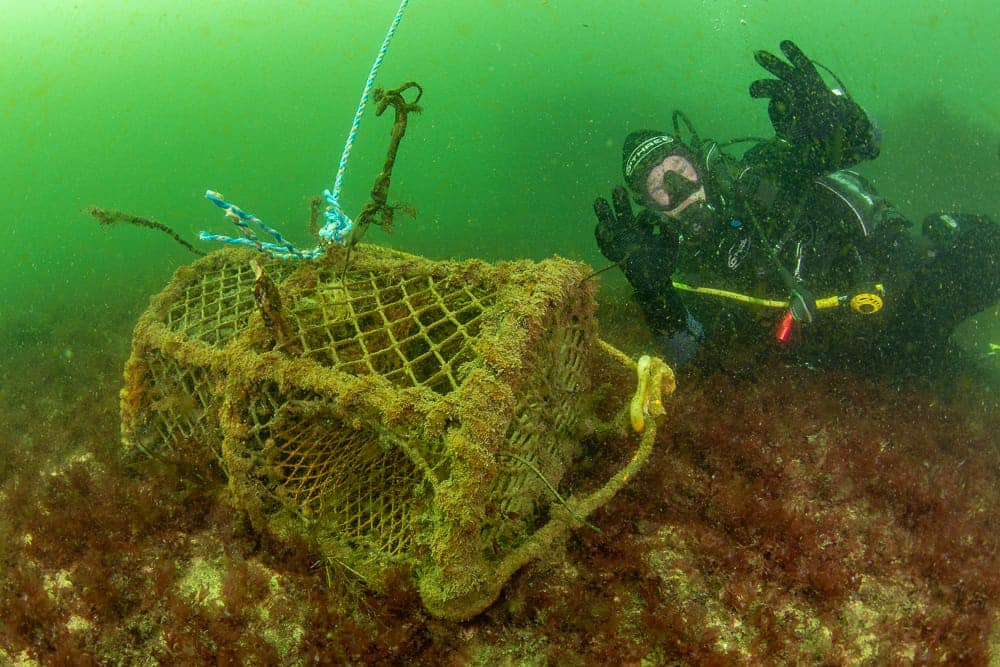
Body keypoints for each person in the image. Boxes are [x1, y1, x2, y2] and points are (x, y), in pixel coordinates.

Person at [593, 40, 1000, 374]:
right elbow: (691, 356)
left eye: (679, 168)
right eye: (659, 185)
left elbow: (865, 144)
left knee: (987, 250)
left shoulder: (762, 172)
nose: (678, 187)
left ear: (699, 161)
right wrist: (654, 294)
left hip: (904, 290)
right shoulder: (677, 264)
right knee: (953, 378)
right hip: (864, 361)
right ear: (649, 205)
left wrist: (840, 124)